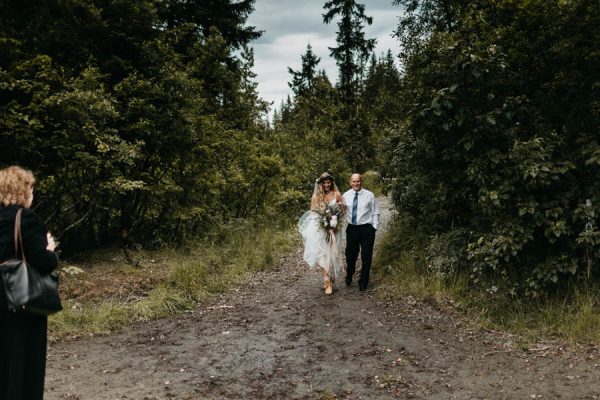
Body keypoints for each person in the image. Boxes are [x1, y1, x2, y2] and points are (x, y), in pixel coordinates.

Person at [0, 166, 59, 400]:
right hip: (20, 301)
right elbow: (43, 262)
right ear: (22, 190)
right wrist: (50, 250)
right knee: (24, 366)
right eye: (31, 189)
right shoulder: (25, 218)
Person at [298, 172, 345, 295]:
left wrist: (335, 221)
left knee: (334, 253)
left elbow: (343, 211)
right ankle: (327, 282)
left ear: (331, 183)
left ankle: (332, 275)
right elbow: (313, 214)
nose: (326, 185)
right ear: (320, 184)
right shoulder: (315, 197)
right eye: (324, 183)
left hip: (335, 229)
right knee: (323, 255)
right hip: (321, 229)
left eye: (328, 182)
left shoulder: (337, 194)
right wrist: (324, 224)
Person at [343, 173, 379, 292]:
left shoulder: (369, 195)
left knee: (366, 256)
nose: (356, 183)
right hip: (352, 228)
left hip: (366, 229)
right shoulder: (345, 196)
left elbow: (375, 211)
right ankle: (350, 273)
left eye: (358, 181)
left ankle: (363, 282)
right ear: (350, 182)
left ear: (361, 182)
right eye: (354, 181)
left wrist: (374, 227)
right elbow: (338, 210)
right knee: (350, 255)